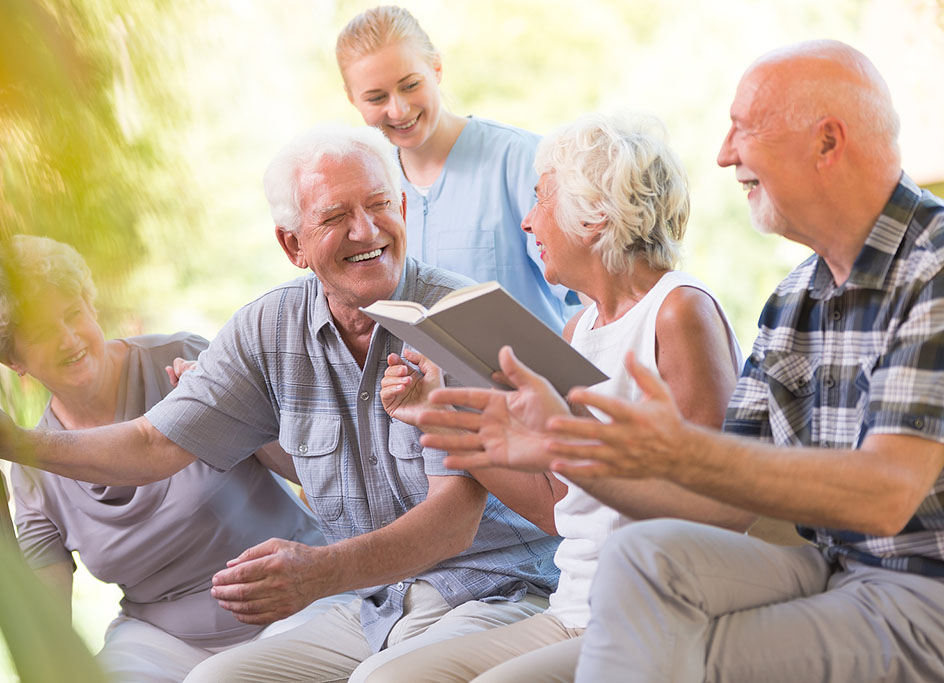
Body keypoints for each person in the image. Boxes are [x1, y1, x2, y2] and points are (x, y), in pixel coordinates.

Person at [0, 125, 559, 682]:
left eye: (377, 206)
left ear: (402, 208)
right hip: (378, 601)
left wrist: (321, 572)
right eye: (335, 216)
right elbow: (155, 444)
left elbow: (454, 518)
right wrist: (16, 444)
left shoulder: (457, 318)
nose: (365, 231)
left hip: (495, 588)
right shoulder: (270, 329)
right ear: (293, 245)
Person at [437, 41, 944, 682]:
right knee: (640, 558)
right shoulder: (795, 299)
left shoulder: (934, 268)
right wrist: (566, 449)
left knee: (672, 656)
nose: (724, 153)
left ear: (827, 142)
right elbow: (723, 502)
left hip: (921, 584)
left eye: (745, 128)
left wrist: (676, 450)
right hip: (831, 567)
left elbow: (886, 495)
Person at [370, 112, 753, 682]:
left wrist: (578, 446)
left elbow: (717, 501)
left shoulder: (679, 311)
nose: (526, 223)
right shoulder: (580, 330)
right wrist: (440, 418)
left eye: (539, 200)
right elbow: (559, 506)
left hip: (653, 613)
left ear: (594, 213)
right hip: (573, 608)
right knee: (387, 678)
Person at [0, 235, 341, 683]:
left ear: (91, 306)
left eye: (73, 313)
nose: (68, 338)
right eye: (42, 332)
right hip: (161, 641)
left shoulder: (181, 361)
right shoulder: (34, 466)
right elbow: (46, 625)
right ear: (11, 359)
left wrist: (232, 416)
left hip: (294, 602)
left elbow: (309, 470)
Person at [335, 5, 578, 333]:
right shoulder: (369, 186)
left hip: (528, 382)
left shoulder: (523, 161)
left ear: (436, 68)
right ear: (353, 100)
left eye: (410, 85)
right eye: (376, 98)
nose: (398, 109)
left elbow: (589, 298)